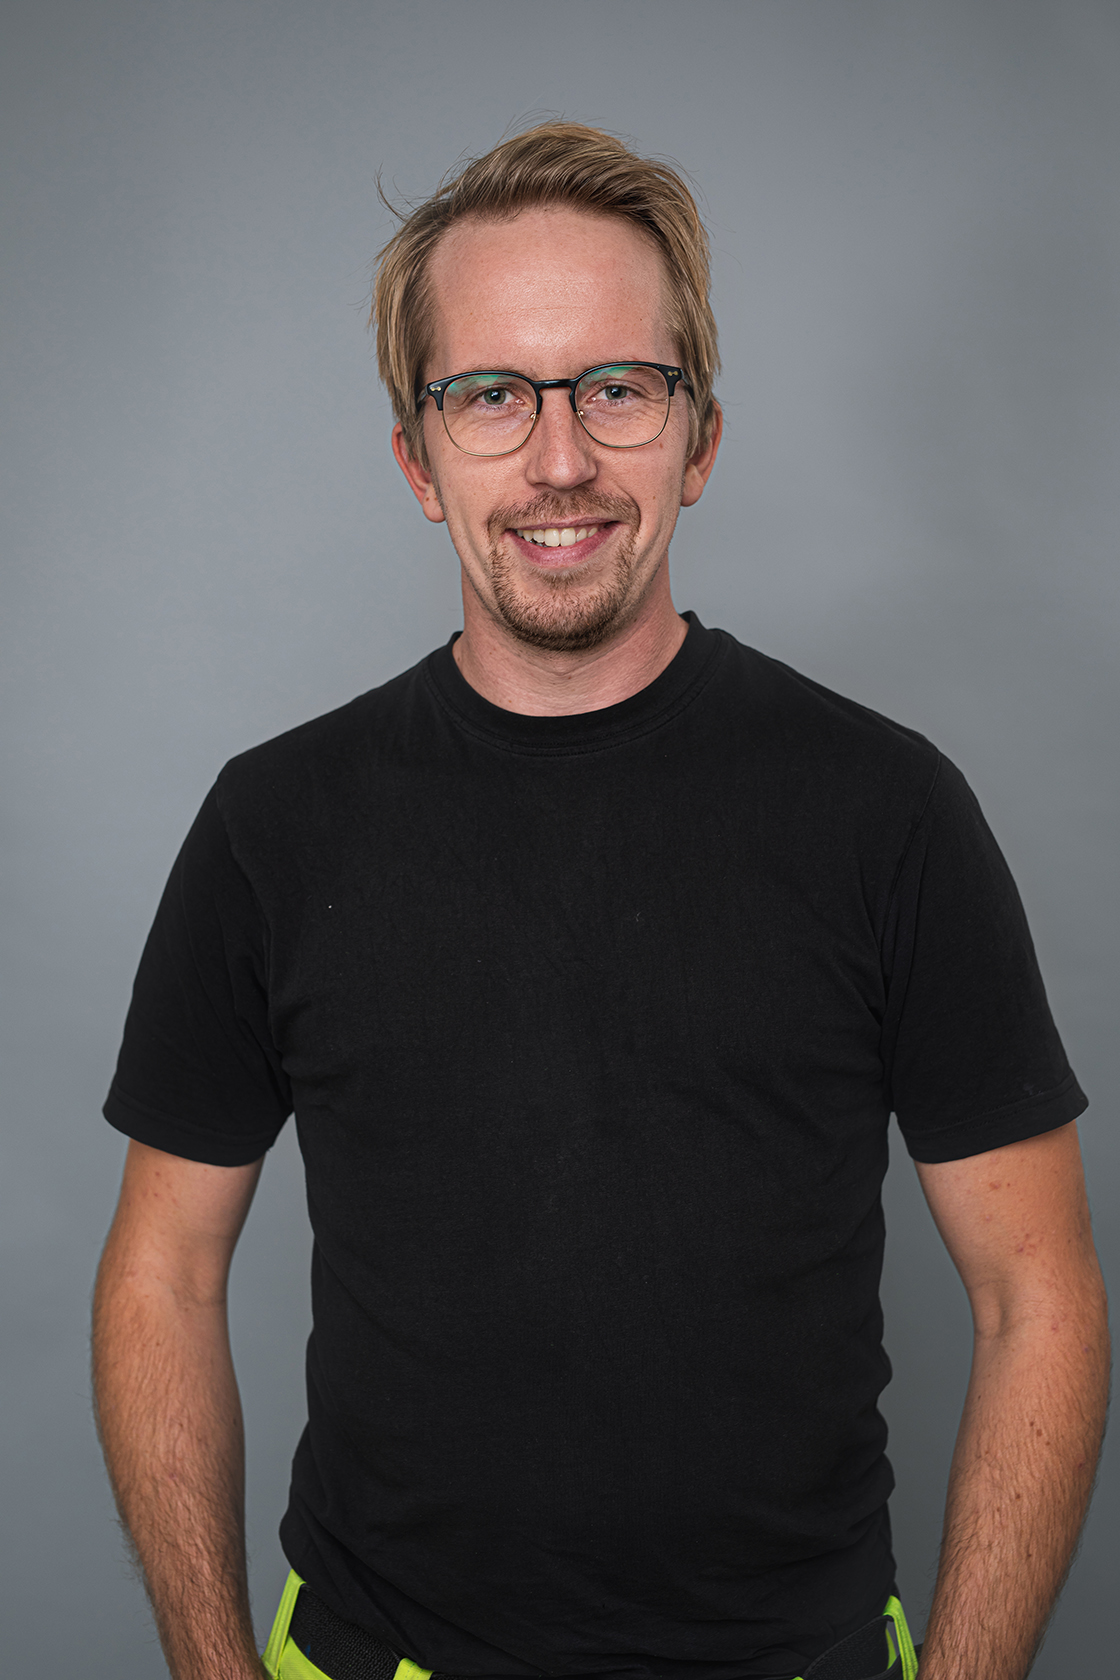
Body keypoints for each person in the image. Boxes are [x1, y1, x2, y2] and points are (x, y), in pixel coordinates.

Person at [92, 123, 1108, 1680]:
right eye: (491, 395)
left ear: (698, 439)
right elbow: (161, 1274)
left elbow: (1040, 1292)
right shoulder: (272, 827)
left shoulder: (890, 812)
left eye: (618, 388)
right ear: (417, 460)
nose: (559, 459)